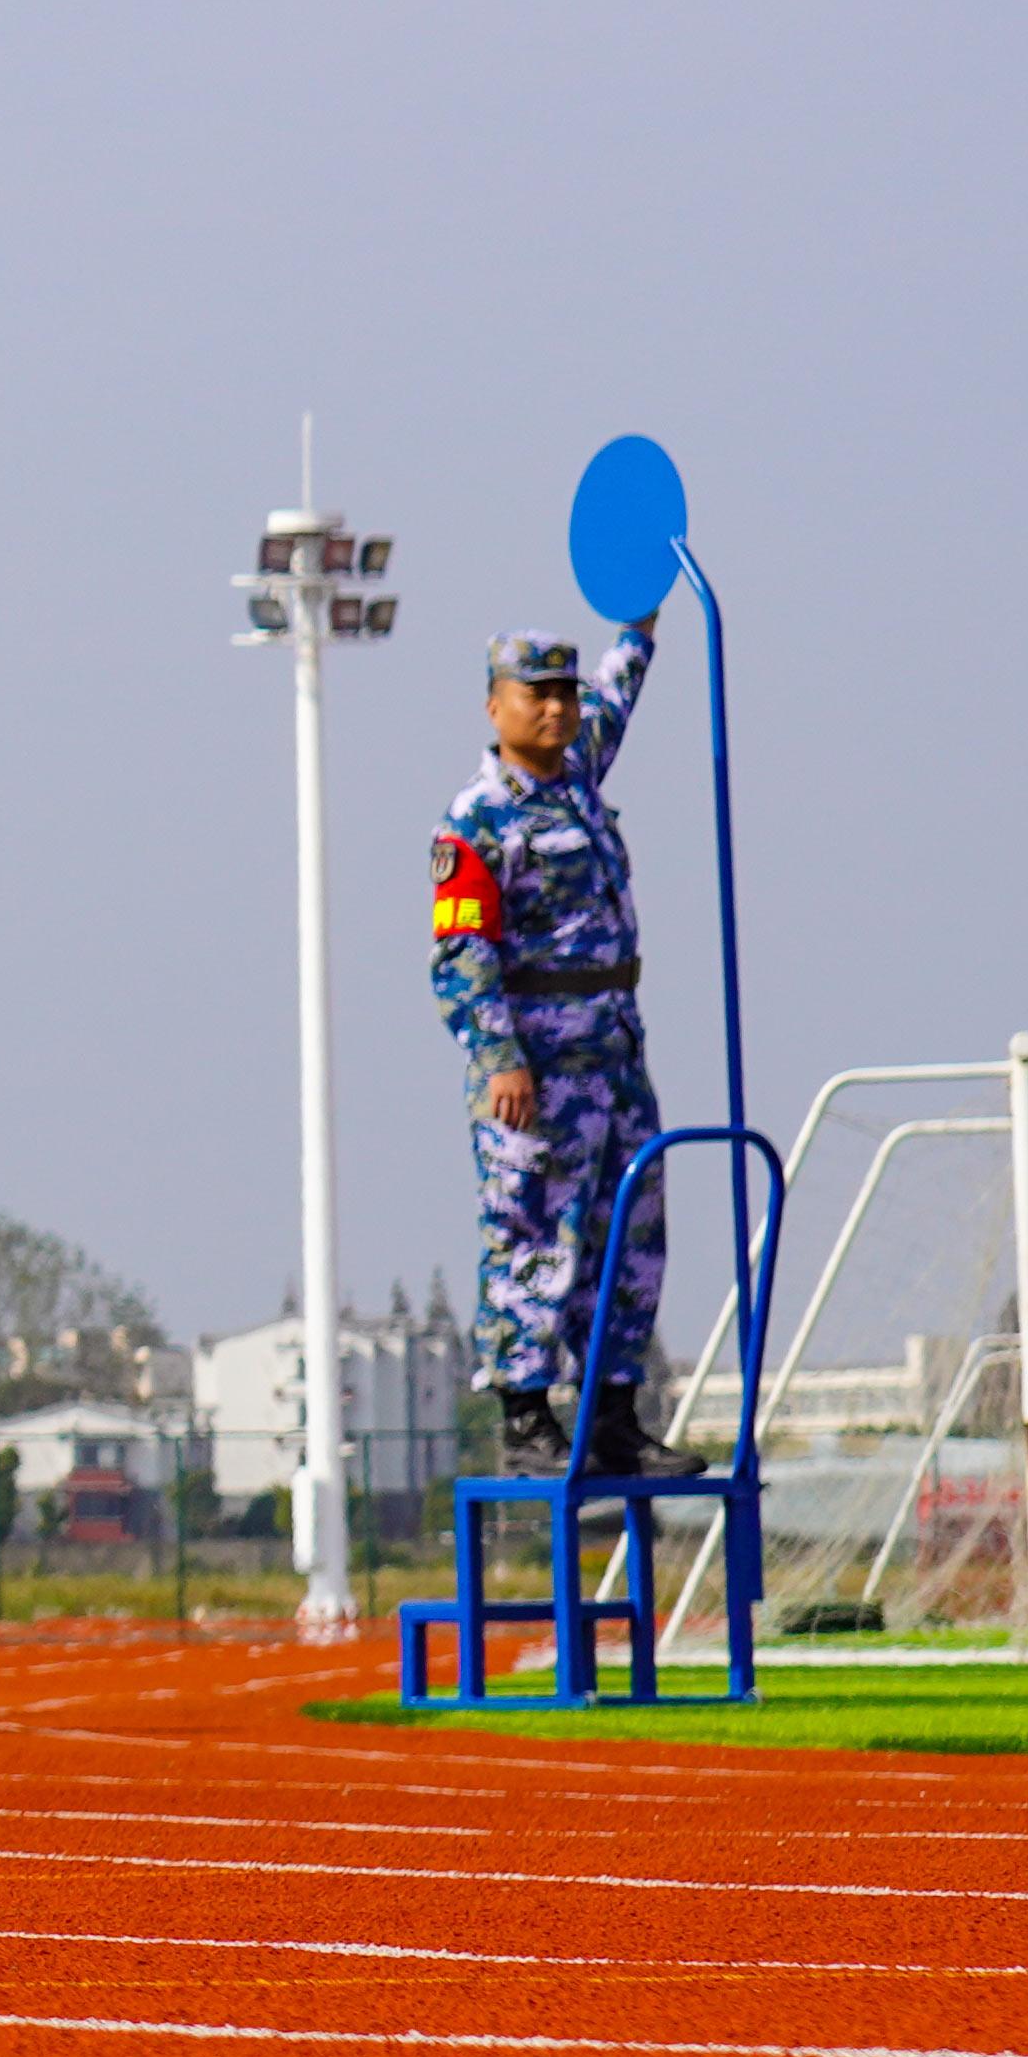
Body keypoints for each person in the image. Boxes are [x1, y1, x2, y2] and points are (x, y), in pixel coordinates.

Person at [438, 627, 674, 1475]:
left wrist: (637, 627)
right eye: (535, 693)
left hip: (613, 1048)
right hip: (536, 1064)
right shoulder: (478, 818)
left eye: (563, 693)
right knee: (533, 1231)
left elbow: (619, 698)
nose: (555, 707)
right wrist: (499, 1056)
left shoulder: (577, 777)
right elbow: (462, 955)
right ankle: (526, 1414)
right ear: (494, 705)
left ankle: (613, 1413)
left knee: (629, 1229)